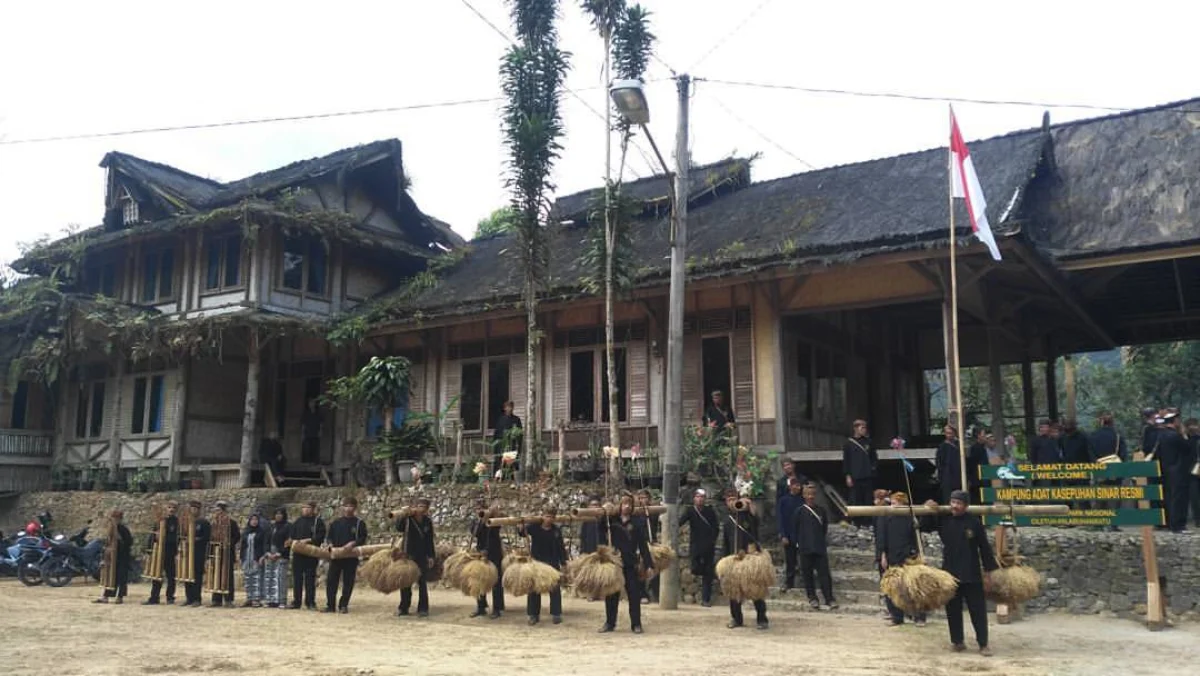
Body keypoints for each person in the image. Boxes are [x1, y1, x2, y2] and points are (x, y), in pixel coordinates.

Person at [921, 491, 999, 656]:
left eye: (958, 503)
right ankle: (957, 642)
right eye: (952, 502)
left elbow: (984, 548)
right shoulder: (944, 519)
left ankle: (983, 644)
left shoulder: (974, 523)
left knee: (978, 611)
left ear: (966, 505)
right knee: (953, 610)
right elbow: (923, 527)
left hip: (972, 574)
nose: (954, 506)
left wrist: (988, 573)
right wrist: (928, 509)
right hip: (949, 575)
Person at [598, 494, 654, 634]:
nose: (627, 506)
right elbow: (600, 528)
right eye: (624, 503)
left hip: (630, 564)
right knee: (611, 594)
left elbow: (643, 545)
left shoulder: (637, 523)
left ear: (632, 506)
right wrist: (604, 511)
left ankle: (636, 624)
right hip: (614, 563)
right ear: (620, 506)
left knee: (634, 595)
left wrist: (648, 565)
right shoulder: (612, 521)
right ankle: (610, 623)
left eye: (629, 504)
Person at [722, 490, 768, 629]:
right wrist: (726, 560)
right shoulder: (727, 521)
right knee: (734, 592)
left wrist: (749, 506)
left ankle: (762, 619)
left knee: (756, 590)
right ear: (726, 503)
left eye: (734, 499)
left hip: (750, 558)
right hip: (734, 559)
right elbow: (726, 542)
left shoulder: (748, 516)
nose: (732, 502)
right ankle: (736, 619)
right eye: (729, 499)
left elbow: (757, 522)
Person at [879, 492, 925, 627]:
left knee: (913, 587)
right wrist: (883, 555)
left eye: (895, 503)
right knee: (892, 588)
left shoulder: (910, 518)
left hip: (908, 556)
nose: (893, 506)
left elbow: (916, 538)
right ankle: (897, 616)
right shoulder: (887, 518)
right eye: (892, 503)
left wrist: (918, 554)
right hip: (892, 555)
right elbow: (883, 538)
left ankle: (919, 617)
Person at [519, 506, 568, 625]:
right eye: (547, 516)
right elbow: (522, 533)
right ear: (542, 516)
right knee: (534, 588)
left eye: (551, 517)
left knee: (555, 588)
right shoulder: (534, 527)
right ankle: (533, 615)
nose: (549, 519)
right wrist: (521, 526)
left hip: (552, 563)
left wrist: (563, 562)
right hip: (537, 562)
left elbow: (561, 547)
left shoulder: (556, 530)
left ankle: (556, 614)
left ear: (554, 518)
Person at [793, 483, 836, 611]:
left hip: (819, 547)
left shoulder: (821, 510)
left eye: (812, 494)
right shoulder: (799, 511)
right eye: (808, 494)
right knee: (807, 574)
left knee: (824, 574)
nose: (810, 496)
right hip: (805, 548)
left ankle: (829, 598)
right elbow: (795, 529)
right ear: (804, 495)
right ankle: (812, 597)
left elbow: (824, 528)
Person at [324, 497, 368, 613]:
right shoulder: (336, 523)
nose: (348, 508)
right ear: (343, 507)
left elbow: (363, 538)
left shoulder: (359, 523)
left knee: (348, 582)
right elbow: (329, 537)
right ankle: (330, 605)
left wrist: (353, 543)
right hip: (336, 555)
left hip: (351, 556)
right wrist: (330, 544)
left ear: (355, 507)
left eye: (351, 506)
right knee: (331, 581)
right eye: (346, 506)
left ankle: (343, 605)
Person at [395, 498, 436, 618]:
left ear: (427, 509)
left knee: (422, 582)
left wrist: (431, 556)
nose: (420, 509)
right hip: (408, 554)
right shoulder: (408, 519)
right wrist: (402, 515)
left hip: (422, 555)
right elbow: (399, 528)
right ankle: (404, 607)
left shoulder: (427, 522)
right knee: (405, 582)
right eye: (419, 506)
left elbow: (429, 540)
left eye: (423, 506)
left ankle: (423, 608)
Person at [678, 488, 718, 607]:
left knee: (708, 572)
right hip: (695, 544)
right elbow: (681, 521)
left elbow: (716, 527)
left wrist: (712, 540)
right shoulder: (690, 511)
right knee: (695, 567)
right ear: (694, 498)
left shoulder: (710, 511)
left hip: (708, 545)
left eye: (702, 497)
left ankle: (706, 599)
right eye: (698, 496)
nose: (700, 499)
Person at [1157, 411, 1192, 533]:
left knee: (1169, 497)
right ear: (1175, 421)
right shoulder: (1175, 436)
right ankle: (1178, 525)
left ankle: (1171, 524)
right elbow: (1188, 447)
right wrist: (1184, 434)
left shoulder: (1161, 435)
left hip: (1166, 470)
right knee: (1179, 498)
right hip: (1179, 470)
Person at [288, 501, 325, 610]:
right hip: (298, 554)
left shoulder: (318, 522)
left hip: (311, 553)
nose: (305, 509)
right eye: (303, 507)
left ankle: (310, 602)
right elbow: (292, 536)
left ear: (313, 509)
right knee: (297, 579)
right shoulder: (297, 522)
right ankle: (296, 601)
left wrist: (308, 540)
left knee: (310, 579)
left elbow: (320, 537)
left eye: (308, 507)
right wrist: (293, 542)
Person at [470, 502, 505, 619]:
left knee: (496, 581)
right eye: (478, 509)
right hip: (480, 553)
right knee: (479, 580)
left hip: (494, 553)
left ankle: (497, 608)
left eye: (482, 509)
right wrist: (482, 520)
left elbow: (499, 524)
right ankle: (481, 607)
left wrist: (493, 514)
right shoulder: (475, 521)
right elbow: (475, 533)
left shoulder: (495, 519)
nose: (480, 511)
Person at [936, 425, 987, 504]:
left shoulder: (959, 445)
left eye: (951, 433)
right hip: (948, 478)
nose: (949, 435)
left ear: (954, 433)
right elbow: (940, 464)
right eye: (947, 433)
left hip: (960, 478)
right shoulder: (942, 447)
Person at [143, 501, 179, 605]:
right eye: (169, 507)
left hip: (169, 552)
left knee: (171, 576)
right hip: (158, 551)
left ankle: (170, 597)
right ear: (166, 508)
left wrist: (163, 537)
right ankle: (154, 597)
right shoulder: (160, 521)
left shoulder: (176, 522)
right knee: (156, 574)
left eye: (173, 508)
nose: (171, 509)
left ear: (176, 510)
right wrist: (149, 550)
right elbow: (152, 536)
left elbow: (175, 538)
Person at [842, 419, 877, 525]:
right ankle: (857, 521)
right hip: (855, 476)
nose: (864, 430)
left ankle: (868, 522)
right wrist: (847, 475)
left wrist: (873, 468)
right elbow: (846, 461)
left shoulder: (869, 442)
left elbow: (874, 458)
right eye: (862, 428)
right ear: (856, 428)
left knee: (868, 499)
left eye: (865, 427)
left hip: (867, 475)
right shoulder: (849, 443)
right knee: (856, 500)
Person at [93, 510, 133, 604]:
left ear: (120, 519)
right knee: (110, 576)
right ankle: (105, 597)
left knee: (122, 577)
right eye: (113, 518)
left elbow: (129, 542)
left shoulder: (124, 529)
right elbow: (106, 543)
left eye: (117, 518)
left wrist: (120, 540)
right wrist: (105, 555)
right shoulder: (110, 529)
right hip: (111, 557)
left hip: (122, 557)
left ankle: (120, 597)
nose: (115, 520)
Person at [209, 501, 241, 608]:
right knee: (216, 575)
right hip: (216, 551)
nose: (217, 512)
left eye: (218, 510)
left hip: (227, 552)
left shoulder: (231, 522)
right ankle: (216, 599)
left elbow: (237, 536)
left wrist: (228, 543)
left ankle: (228, 600)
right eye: (216, 510)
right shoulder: (213, 523)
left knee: (228, 576)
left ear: (223, 511)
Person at [776, 478, 804, 591]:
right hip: (788, 534)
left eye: (798, 485)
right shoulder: (783, 500)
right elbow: (780, 519)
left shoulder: (803, 500)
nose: (797, 487)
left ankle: (806, 582)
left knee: (805, 560)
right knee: (790, 561)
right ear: (790, 487)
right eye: (795, 485)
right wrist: (783, 535)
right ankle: (789, 582)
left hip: (801, 535)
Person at [183, 501, 211, 607]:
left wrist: (196, 540)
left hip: (198, 552)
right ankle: (189, 598)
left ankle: (197, 599)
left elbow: (207, 537)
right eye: (192, 508)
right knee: (187, 574)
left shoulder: (203, 522)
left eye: (196, 509)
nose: (193, 510)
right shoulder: (187, 522)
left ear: (199, 510)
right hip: (187, 552)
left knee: (196, 576)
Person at [634, 489, 659, 604]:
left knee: (654, 569)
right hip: (639, 544)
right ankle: (642, 594)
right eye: (640, 498)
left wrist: (647, 512)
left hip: (651, 543)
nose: (642, 500)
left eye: (644, 498)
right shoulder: (635, 513)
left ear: (649, 499)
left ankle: (656, 594)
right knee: (640, 570)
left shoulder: (652, 512)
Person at [264, 508, 290, 608]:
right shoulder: (271, 527)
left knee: (280, 578)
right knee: (270, 577)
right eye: (276, 514)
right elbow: (266, 540)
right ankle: (271, 600)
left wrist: (279, 553)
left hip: (281, 556)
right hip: (270, 555)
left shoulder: (287, 526)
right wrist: (268, 553)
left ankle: (281, 600)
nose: (278, 516)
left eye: (280, 514)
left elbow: (288, 542)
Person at [240, 513, 267, 608]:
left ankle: (256, 599)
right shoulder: (246, 532)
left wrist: (263, 556)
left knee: (257, 578)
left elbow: (264, 545)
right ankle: (249, 598)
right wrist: (241, 558)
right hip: (247, 557)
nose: (254, 521)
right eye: (252, 519)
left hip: (257, 557)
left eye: (256, 519)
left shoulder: (261, 532)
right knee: (248, 578)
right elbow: (243, 546)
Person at [492, 400, 523, 475]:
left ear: (513, 408)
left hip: (512, 444)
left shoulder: (516, 419)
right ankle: (500, 477)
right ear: (504, 408)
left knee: (512, 461)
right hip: (502, 445)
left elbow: (520, 433)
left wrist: (518, 444)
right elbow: (497, 433)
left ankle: (512, 476)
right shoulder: (500, 420)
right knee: (500, 461)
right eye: (507, 407)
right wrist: (496, 445)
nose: (509, 409)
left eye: (510, 407)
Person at [301, 398, 322, 465]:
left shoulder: (318, 413)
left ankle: (314, 461)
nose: (311, 404)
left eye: (313, 403)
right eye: (310, 403)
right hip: (307, 433)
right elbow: (303, 424)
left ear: (315, 404)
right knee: (307, 448)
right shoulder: (306, 413)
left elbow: (321, 423)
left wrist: (320, 431)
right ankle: (307, 461)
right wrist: (303, 433)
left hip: (315, 432)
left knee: (315, 447)